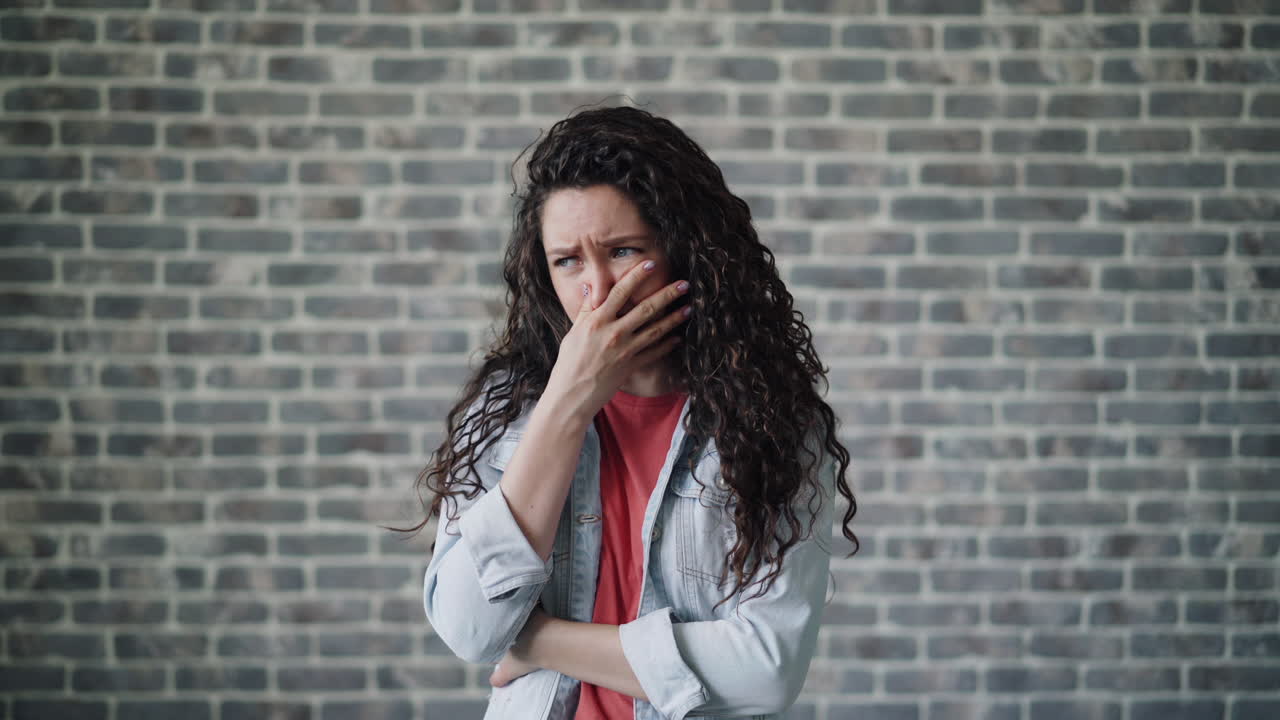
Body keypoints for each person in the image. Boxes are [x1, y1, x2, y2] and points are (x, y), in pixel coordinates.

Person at [401, 105, 859, 720]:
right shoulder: (504, 409)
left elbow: (767, 669)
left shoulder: (774, 423)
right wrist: (567, 403)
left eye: (622, 250)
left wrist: (538, 639)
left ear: (685, 251)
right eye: (567, 260)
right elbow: (467, 627)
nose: (597, 288)